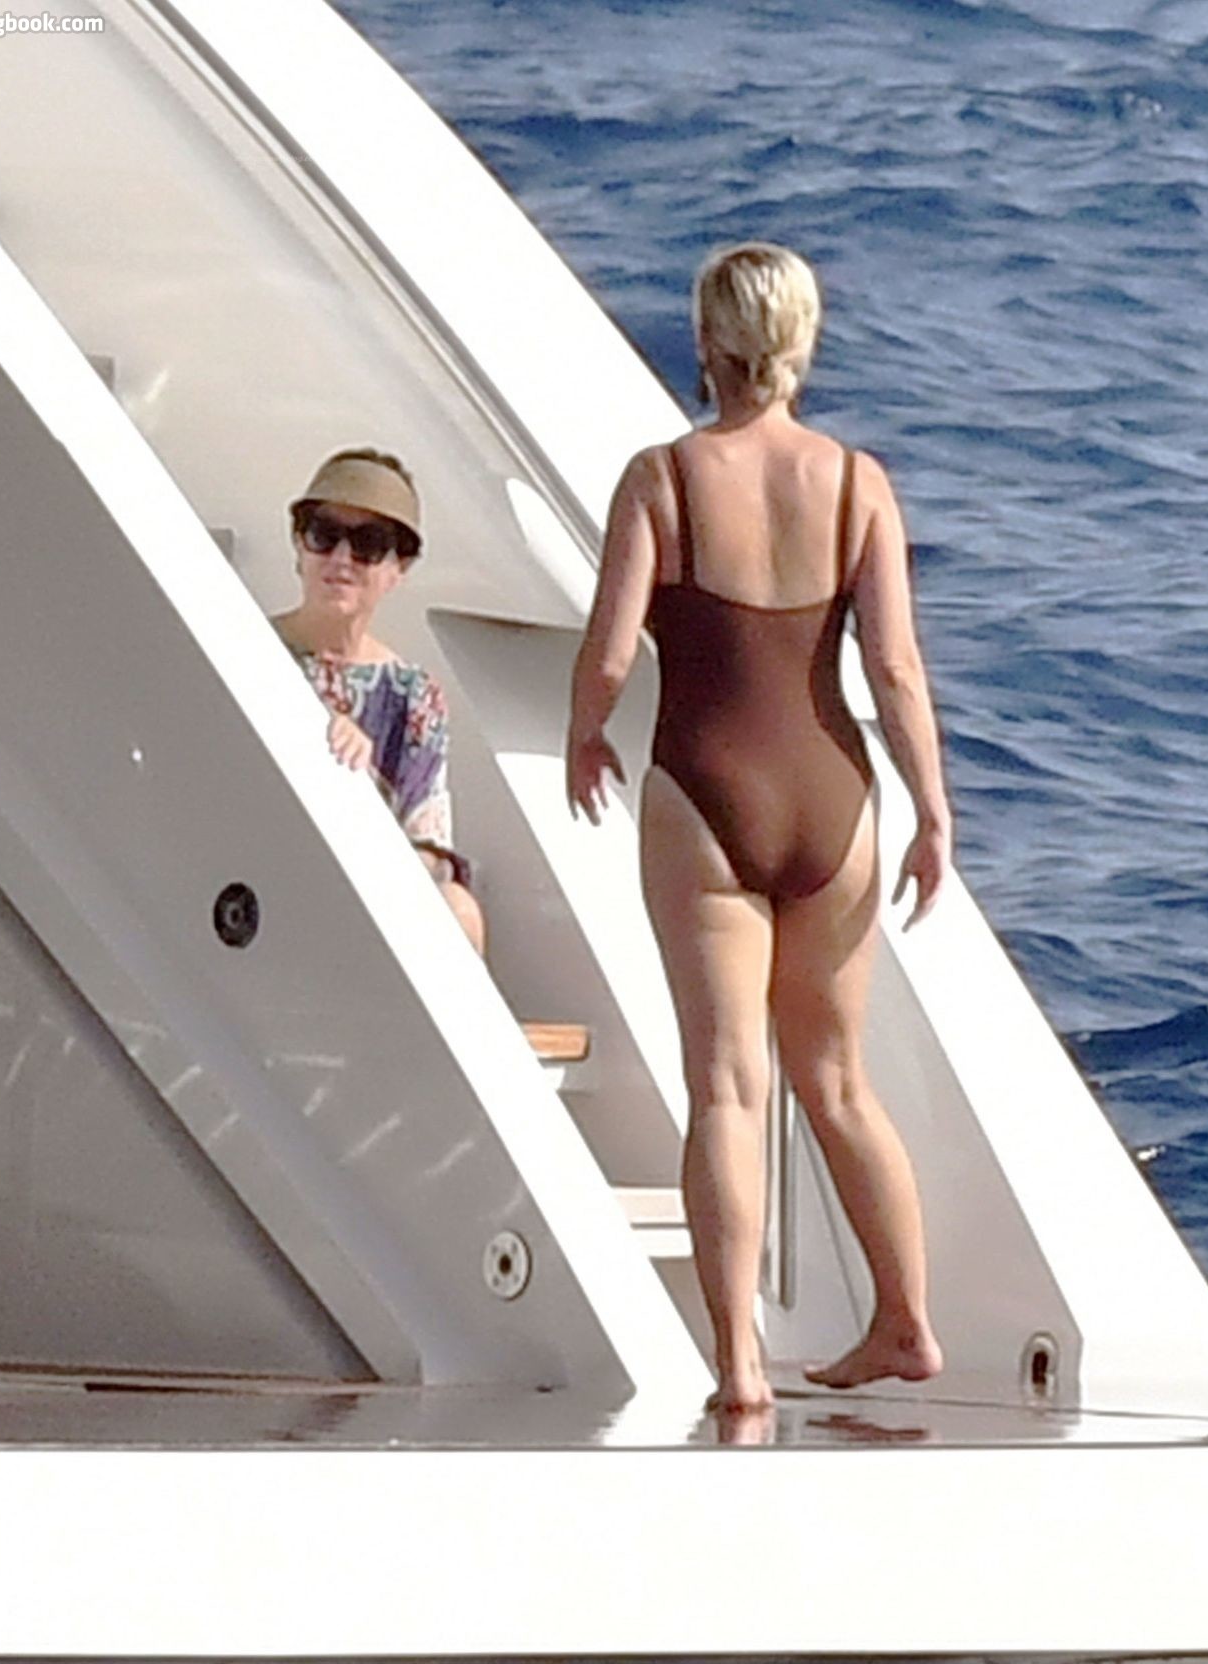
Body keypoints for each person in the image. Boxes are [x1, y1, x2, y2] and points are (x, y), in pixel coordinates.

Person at [566, 242, 952, 1412]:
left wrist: (584, 733)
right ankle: (904, 1324)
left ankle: (739, 1365)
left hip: (707, 785)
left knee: (729, 1090)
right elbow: (893, 666)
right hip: (835, 798)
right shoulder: (857, 483)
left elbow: (612, 648)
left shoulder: (663, 479)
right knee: (837, 1082)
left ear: (705, 341)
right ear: (802, 343)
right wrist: (932, 811)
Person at [270, 447, 485, 955]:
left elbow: (427, 846)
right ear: (299, 543)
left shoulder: (413, 697)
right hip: (254, 876)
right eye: (324, 534)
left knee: (459, 912)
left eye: (368, 545)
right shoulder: (247, 650)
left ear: (398, 567)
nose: (341, 559)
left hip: (360, 902)